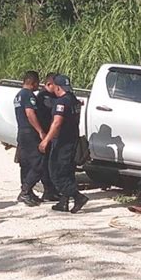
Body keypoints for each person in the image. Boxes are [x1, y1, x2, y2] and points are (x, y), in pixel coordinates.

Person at [38, 75, 88, 213]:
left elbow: (57, 123)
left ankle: (78, 197)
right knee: (67, 172)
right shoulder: (73, 100)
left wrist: (46, 140)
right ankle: (63, 202)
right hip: (72, 141)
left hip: (62, 142)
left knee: (56, 173)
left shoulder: (61, 102)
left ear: (57, 87)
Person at [14, 71, 45, 207]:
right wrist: (40, 131)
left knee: (25, 163)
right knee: (39, 163)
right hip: (29, 133)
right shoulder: (28, 95)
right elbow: (30, 113)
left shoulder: (18, 95)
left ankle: (27, 191)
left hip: (21, 132)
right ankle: (25, 191)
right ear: (34, 83)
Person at [36, 73, 60, 202]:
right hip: (46, 133)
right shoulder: (44, 97)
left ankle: (51, 190)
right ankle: (48, 190)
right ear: (49, 84)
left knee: (51, 162)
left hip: (50, 134)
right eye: (56, 85)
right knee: (47, 163)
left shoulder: (51, 96)